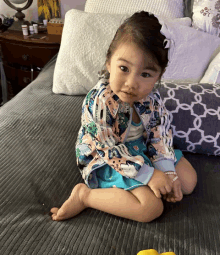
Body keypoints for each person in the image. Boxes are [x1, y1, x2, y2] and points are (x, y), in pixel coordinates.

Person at [50, 11, 197, 223]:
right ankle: (85, 196)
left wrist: (167, 171)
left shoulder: (152, 99)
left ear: (158, 76)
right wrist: (149, 175)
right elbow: (107, 148)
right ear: (109, 63)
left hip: (140, 147)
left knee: (188, 182)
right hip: (106, 155)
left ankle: (155, 174)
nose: (131, 83)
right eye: (124, 68)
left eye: (145, 74)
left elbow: (160, 134)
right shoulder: (99, 101)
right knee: (150, 208)